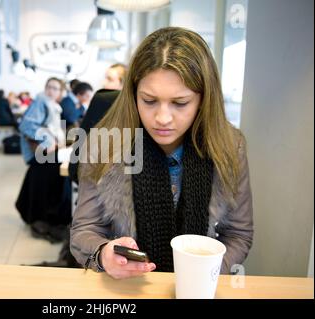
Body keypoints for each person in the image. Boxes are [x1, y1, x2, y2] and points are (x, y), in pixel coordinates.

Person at [70, 27, 253, 279]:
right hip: (126, 289)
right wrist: (103, 254)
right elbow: (84, 230)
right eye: (149, 100)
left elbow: (239, 234)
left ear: (203, 99)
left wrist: (205, 273)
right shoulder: (104, 144)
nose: (162, 118)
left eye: (180, 103)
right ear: (133, 94)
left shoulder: (230, 147)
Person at [16, 77, 71, 242]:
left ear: (61, 92)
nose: (51, 91)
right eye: (49, 87)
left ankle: (43, 217)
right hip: (42, 154)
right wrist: (50, 141)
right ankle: (42, 218)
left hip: (48, 153)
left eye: (55, 88)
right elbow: (27, 126)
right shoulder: (41, 101)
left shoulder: (54, 107)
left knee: (46, 184)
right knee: (48, 183)